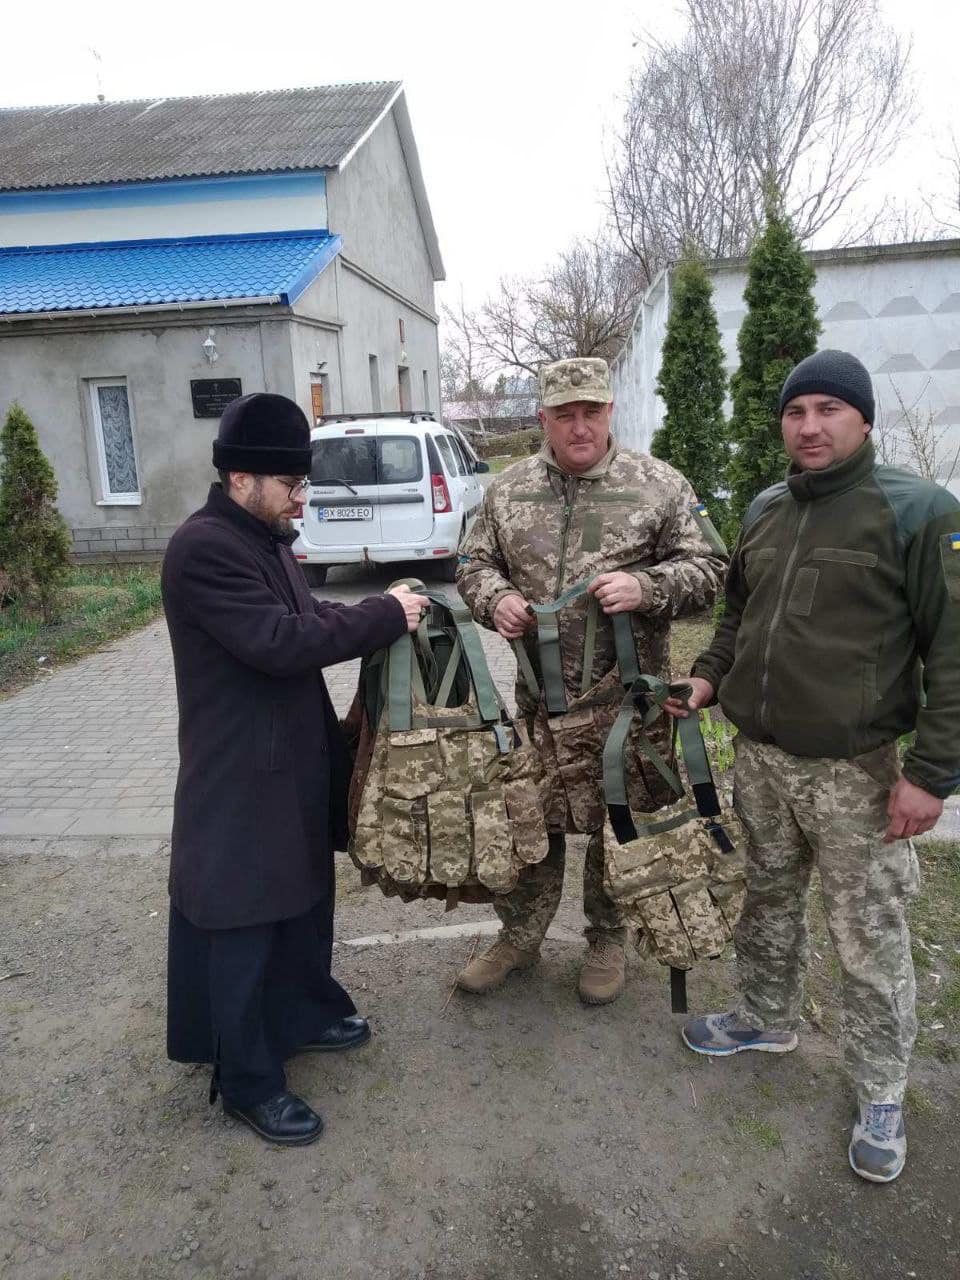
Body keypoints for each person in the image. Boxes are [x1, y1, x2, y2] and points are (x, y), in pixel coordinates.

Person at [670, 349, 960, 1183]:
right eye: (796, 412)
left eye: (829, 409)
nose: (810, 426)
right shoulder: (768, 508)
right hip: (761, 760)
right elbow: (739, 615)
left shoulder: (919, 512)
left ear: (864, 419)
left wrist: (931, 775)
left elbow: (954, 651)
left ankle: (881, 1091)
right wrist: (708, 677)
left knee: (867, 936)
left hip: (855, 773)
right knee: (765, 901)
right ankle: (766, 1017)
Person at [161, 392, 427, 1146]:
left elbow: (308, 620)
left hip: (288, 761)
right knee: (245, 918)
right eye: (291, 484)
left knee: (302, 901)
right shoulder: (203, 548)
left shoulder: (266, 537)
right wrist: (384, 615)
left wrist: (372, 613)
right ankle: (247, 1080)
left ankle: (303, 1014)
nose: (301, 497)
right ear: (242, 478)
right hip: (239, 775)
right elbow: (281, 642)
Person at [455, 357, 726, 1004]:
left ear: (610, 412)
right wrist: (495, 598)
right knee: (528, 821)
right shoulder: (508, 490)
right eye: (565, 415)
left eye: (592, 412)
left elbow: (712, 568)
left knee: (619, 823)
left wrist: (647, 587)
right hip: (540, 705)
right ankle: (520, 936)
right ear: (543, 418)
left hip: (624, 706)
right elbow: (471, 561)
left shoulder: (658, 485)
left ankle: (607, 939)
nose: (580, 427)